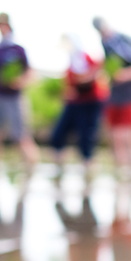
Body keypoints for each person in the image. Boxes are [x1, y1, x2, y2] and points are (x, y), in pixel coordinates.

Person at [0, 13, 39, 170]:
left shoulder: (18, 49)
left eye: (2, 25)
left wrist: (20, 81)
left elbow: (30, 73)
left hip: (14, 98)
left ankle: (31, 167)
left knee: (21, 136)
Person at [93, 17, 131, 175]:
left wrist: (122, 75)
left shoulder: (124, 39)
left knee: (129, 136)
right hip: (114, 97)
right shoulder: (104, 43)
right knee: (115, 137)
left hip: (130, 97)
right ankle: (121, 174)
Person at [51, 35, 107, 176]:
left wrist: (83, 80)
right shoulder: (71, 61)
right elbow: (69, 84)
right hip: (74, 103)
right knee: (58, 134)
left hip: (90, 102)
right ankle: (59, 169)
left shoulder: (86, 58)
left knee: (86, 136)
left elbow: (98, 71)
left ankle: (88, 168)